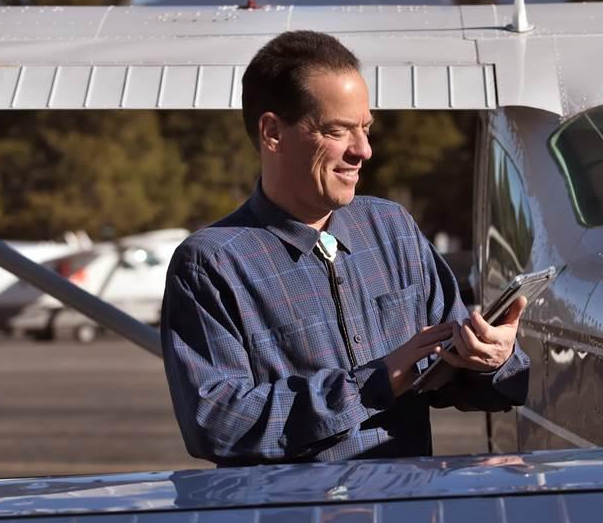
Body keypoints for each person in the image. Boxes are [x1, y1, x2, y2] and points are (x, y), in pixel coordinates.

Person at [160, 30, 528, 465]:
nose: (364, 150)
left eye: (366, 129)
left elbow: (450, 370)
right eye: (338, 131)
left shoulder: (393, 228)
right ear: (272, 132)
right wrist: (372, 384)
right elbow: (216, 422)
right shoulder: (211, 264)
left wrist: (490, 359)